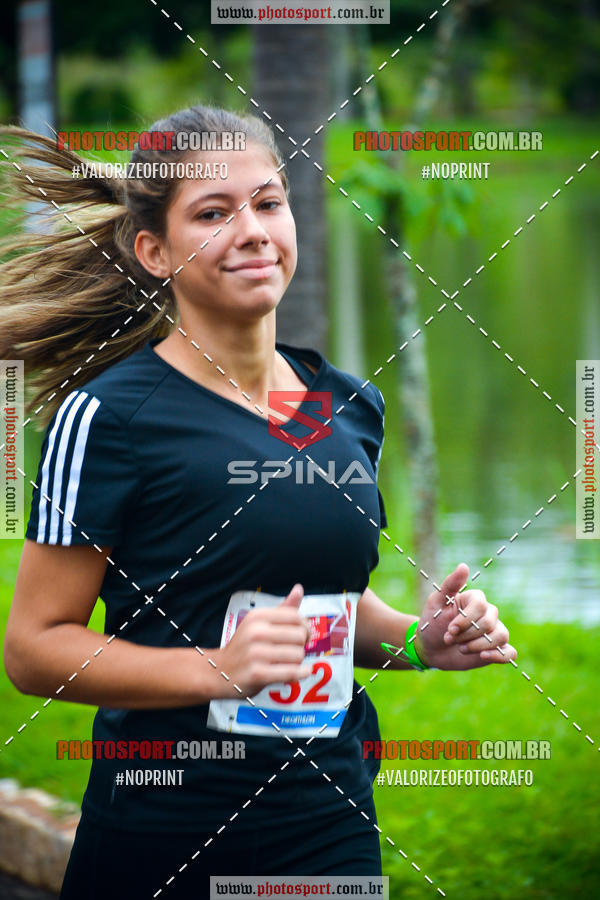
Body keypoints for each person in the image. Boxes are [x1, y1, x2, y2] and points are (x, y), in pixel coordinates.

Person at [1, 104, 516, 899]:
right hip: (164, 828)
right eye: (212, 212)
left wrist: (422, 641)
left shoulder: (346, 406)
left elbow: (330, 608)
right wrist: (215, 671)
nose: (252, 230)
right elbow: (34, 648)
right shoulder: (109, 416)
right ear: (154, 250)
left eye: (267, 202)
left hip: (329, 817)